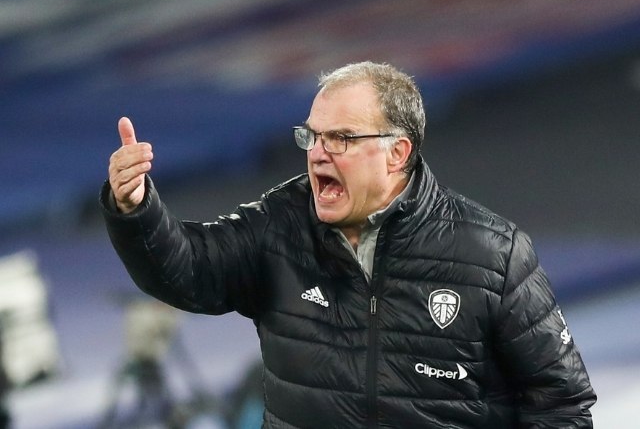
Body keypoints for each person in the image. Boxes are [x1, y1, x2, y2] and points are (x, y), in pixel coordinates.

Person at [101, 61, 597, 428]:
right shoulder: (280, 224)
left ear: (396, 153)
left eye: (340, 138)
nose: (317, 154)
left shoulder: (493, 254)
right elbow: (189, 269)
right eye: (312, 137)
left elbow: (560, 404)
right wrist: (136, 208)